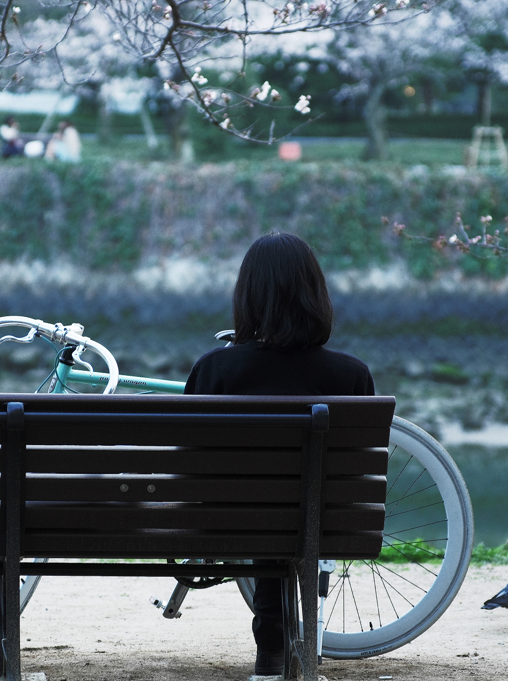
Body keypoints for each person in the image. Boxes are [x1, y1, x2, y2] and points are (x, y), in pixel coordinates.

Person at [184, 232, 374, 678]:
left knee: (263, 514)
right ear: (316, 295)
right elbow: (355, 466)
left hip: (224, 523)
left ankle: (271, 650)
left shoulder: (214, 370)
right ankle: (283, 650)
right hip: (323, 521)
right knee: (298, 513)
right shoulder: (351, 376)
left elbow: (188, 461)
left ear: (246, 296)